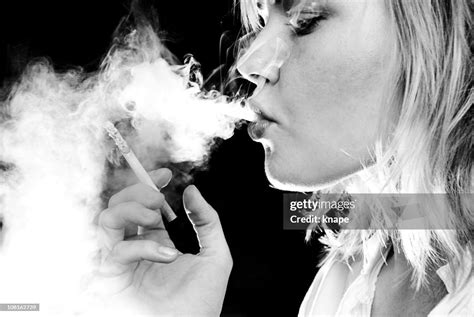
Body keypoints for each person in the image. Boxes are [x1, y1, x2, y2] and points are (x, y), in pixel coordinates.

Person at [97, 0, 473, 315]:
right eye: (262, 24)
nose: (249, 62)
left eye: (305, 19)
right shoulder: (347, 277)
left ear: (435, 29)